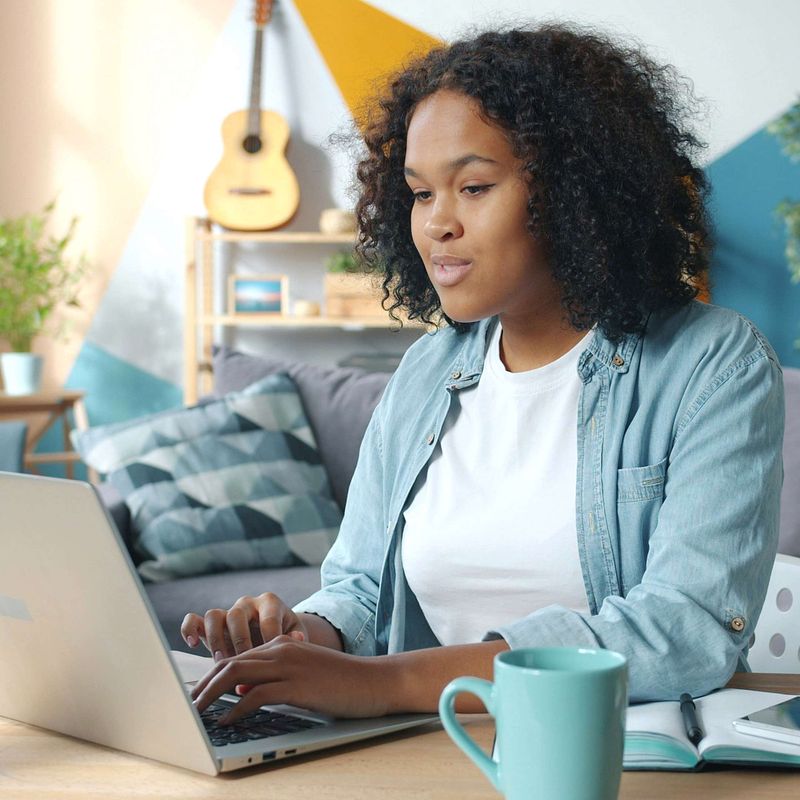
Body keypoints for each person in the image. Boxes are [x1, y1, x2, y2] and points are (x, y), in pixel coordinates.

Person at [183, 23, 784, 724]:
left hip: (620, 754)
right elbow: (361, 590)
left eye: (472, 187)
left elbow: (685, 629)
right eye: (420, 193)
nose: (437, 224)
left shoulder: (714, 363)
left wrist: (383, 684)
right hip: (433, 748)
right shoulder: (427, 371)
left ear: (574, 194)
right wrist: (300, 640)